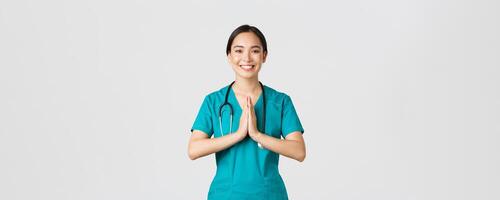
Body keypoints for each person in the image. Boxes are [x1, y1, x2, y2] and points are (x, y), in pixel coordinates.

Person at [188, 24, 306, 200]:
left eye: (255, 51)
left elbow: (299, 151)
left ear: (264, 56)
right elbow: (194, 149)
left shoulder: (280, 102)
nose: (247, 58)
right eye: (239, 51)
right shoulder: (214, 101)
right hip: (225, 195)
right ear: (229, 56)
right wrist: (238, 135)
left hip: (269, 194)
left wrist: (257, 135)